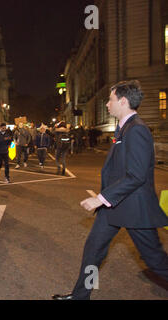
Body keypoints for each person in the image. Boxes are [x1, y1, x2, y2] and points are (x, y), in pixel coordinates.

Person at [53, 80, 168, 300]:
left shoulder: (137, 130)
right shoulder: (124, 127)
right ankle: (80, 296)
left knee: (156, 261)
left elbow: (136, 175)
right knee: (93, 250)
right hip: (114, 205)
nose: (107, 104)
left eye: (111, 99)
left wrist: (101, 198)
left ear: (123, 101)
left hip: (135, 207)